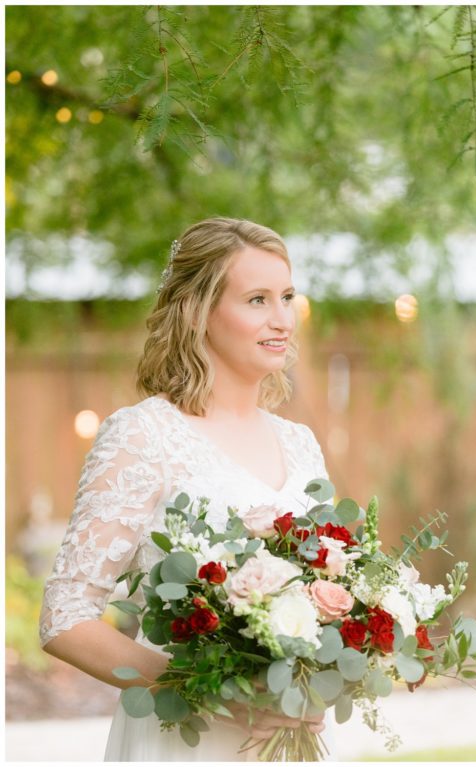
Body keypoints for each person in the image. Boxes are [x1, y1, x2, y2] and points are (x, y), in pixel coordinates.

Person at [40, 218, 330, 761]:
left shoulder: (301, 444)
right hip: (185, 742)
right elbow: (65, 619)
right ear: (199, 312)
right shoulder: (142, 435)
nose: (282, 319)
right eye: (257, 300)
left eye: (287, 297)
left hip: (292, 735)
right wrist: (212, 693)